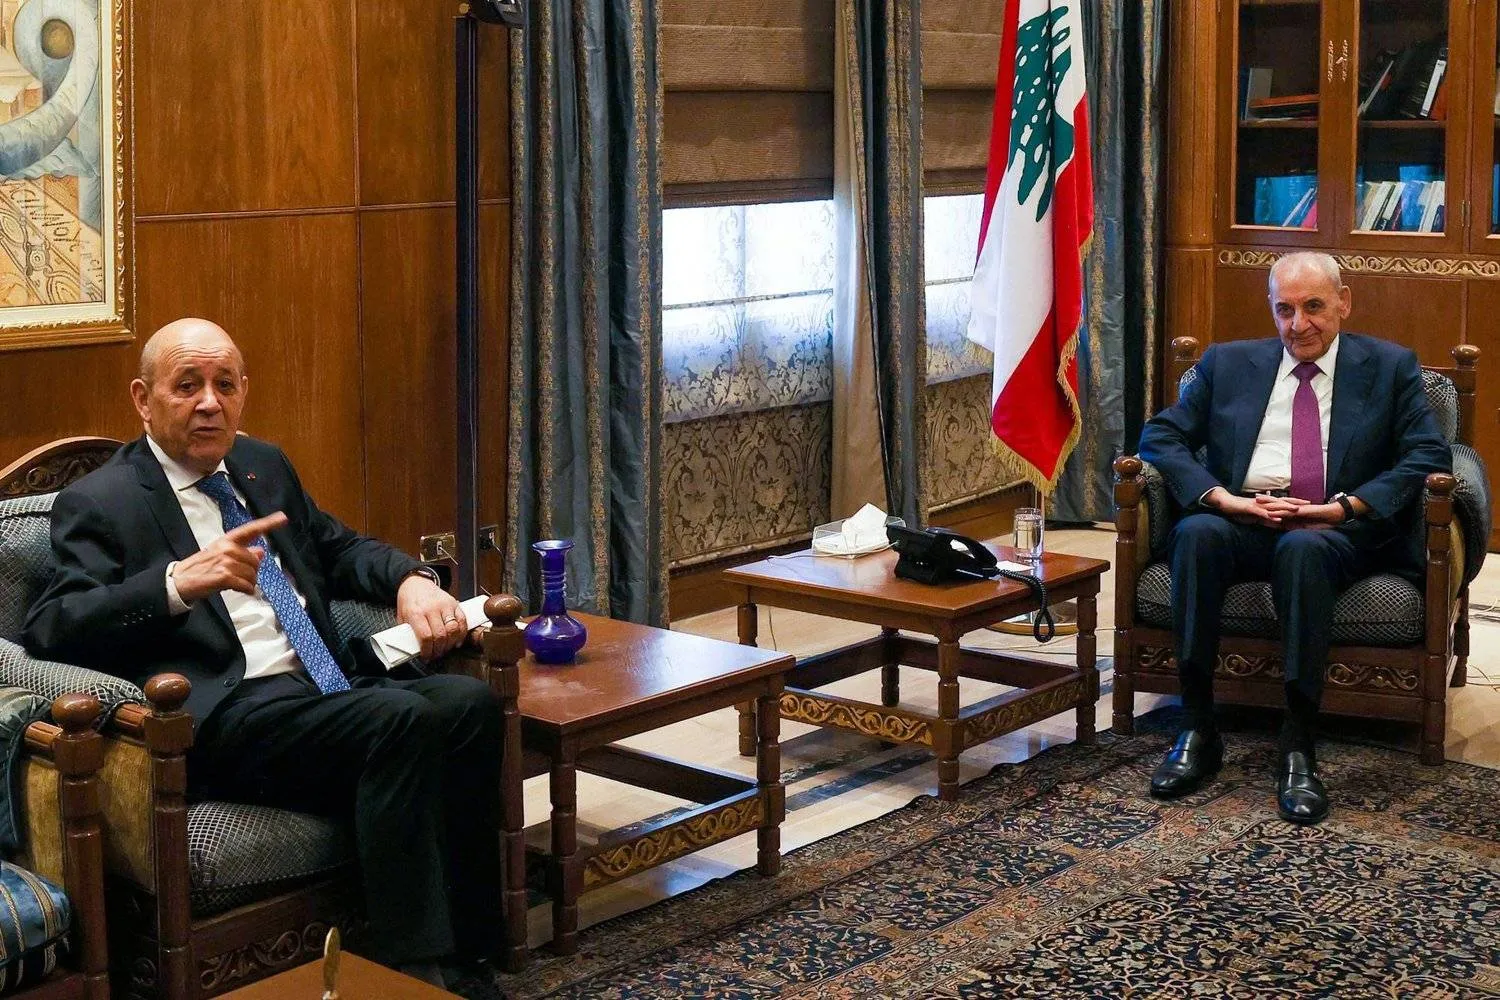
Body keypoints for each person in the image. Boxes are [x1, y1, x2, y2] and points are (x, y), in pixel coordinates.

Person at [23, 318, 502, 988]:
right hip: (225, 714)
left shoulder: (262, 465)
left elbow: (338, 548)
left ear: (244, 391)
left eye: (224, 384)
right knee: (402, 720)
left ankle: (477, 951)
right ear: (143, 398)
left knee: (469, 703)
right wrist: (175, 584)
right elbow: (52, 628)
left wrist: (409, 580)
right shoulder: (100, 501)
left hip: (323, 685)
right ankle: (415, 972)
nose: (209, 402)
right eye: (186, 386)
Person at [1137, 251, 1450, 825]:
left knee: (1303, 549)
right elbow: (1159, 437)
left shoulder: (1390, 366)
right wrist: (1222, 498)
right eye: (1284, 310)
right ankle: (1198, 726)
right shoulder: (1227, 364)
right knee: (1196, 535)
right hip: (1242, 518)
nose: (1298, 324)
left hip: (1336, 529)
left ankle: (1299, 741)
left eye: (1313, 308)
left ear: (1343, 303)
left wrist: (1343, 507)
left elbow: (1428, 455)